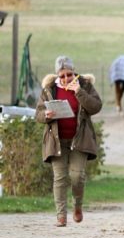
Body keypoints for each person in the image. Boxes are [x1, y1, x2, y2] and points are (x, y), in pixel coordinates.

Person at [34, 56, 102, 227]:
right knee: (60, 177)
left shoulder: (85, 85)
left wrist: (78, 91)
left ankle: (77, 206)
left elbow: (95, 107)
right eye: (62, 75)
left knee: (77, 176)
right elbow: (38, 114)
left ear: (74, 72)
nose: (66, 79)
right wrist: (46, 115)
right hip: (56, 141)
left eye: (69, 75)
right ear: (57, 75)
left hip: (79, 139)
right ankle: (61, 216)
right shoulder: (49, 89)